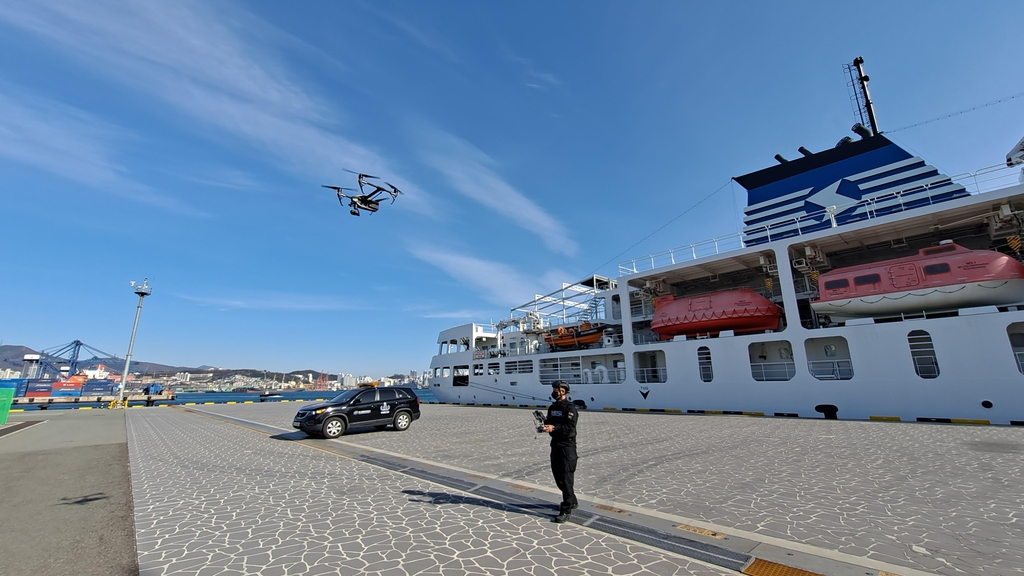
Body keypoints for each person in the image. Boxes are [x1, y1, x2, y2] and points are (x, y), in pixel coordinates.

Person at [539, 380, 578, 523]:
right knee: (558, 477)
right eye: (553, 389)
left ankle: (566, 510)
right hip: (555, 445)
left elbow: (570, 428)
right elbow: (550, 421)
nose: (554, 391)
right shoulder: (552, 407)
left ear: (563, 391)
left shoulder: (570, 408)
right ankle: (572, 500)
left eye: (556, 389)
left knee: (566, 478)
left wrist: (554, 428)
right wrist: (545, 425)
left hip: (567, 447)